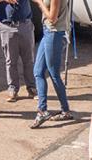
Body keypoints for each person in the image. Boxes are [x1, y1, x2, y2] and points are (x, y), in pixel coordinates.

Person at [29, 0, 74, 128]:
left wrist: (39, 2)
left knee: (53, 74)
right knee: (38, 71)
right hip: (49, 31)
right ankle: (44, 110)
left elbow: (53, 18)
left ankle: (61, 110)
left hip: (54, 32)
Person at [0, 0, 37, 102]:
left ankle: (32, 88)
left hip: (25, 24)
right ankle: (13, 89)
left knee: (29, 60)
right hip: (7, 26)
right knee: (11, 61)